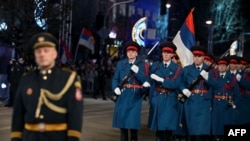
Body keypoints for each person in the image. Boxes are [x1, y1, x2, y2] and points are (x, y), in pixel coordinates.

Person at [10, 32, 83, 141]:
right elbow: (18, 115)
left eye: (46, 50)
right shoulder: (26, 79)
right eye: (38, 51)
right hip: (30, 137)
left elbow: (75, 116)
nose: (42, 54)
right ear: (35, 55)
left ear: (55, 54)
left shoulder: (69, 79)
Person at [112, 41, 148, 141]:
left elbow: (145, 80)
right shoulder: (121, 64)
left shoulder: (142, 65)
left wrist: (138, 72)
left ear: (137, 53)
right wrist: (115, 88)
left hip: (135, 96)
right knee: (123, 126)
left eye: (133, 51)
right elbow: (115, 79)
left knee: (133, 125)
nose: (130, 53)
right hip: (123, 95)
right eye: (128, 51)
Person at [146, 41, 182, 141]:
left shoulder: (177, 68)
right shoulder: (156, 65)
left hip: (170, 100)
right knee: (158, 130)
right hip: (157, 98)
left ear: (172, 54)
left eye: (168, 53)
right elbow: (150, 80)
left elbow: (176, 84)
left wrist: (161, 80)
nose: (165, 54)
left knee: (168, 129)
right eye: (164, 52)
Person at [179, 46, 213, 141]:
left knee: (203, 131)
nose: (197, 58)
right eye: (195, 56)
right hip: (191, 101)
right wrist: (183, 90)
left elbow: (214, 86)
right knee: (192, 130)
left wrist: (208, 79)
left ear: (203, 57)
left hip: (204, 101)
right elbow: (180, 83)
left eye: (199, 56)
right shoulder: (187, 69)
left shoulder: (209, 70)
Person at [207, 57, 240, 141]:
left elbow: (236, 93)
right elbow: (211, 92)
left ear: (227, 67)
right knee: (216, 125)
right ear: (217, 66)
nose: (221, 67)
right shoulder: (214, 77)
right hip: (216, 104)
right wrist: (210, 104)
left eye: (224, 65)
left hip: (227, 105)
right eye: (220, 65)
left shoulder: (232, 78)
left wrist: (234, 103)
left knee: (226, 125)